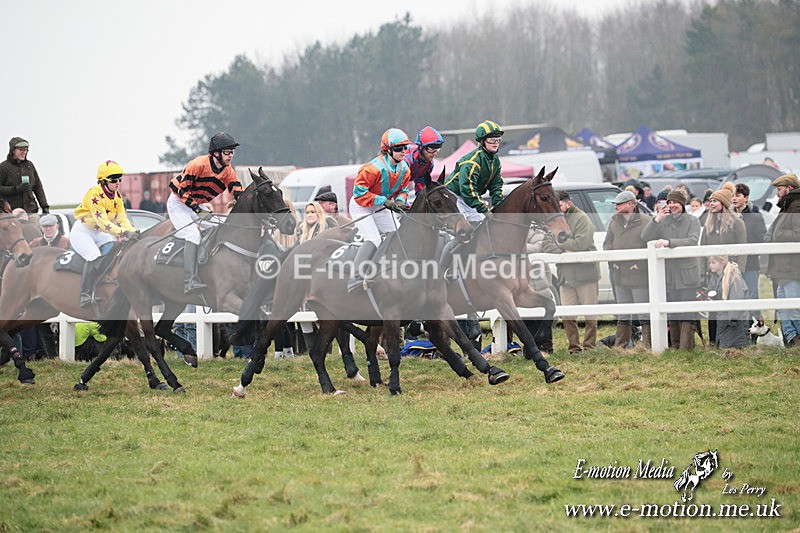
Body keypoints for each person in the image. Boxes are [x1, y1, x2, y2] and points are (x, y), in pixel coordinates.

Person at [168, 132, 243, 294]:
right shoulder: (197, 164)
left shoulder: (228, 171)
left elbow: (237, 189)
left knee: (223, 226)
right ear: (216, 153)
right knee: (193, 235)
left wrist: (244, 200)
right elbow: (182, 192)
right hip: (178, 203)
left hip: (197, 205)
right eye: (227, 152)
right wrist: (197, 210)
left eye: (232, 152)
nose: (230, 156)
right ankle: (189, 281)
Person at [347, 128, 412, 292]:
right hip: (360, 205)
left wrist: (399, 201)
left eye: (405, 148)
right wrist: (385, 201)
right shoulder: (372, 169)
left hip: (381, 205)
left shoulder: (405, 169)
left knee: (397, 234)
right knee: (374, 239)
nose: (403, 151)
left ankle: (387, 270)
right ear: (387, 150)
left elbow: (404, 190)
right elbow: (359, 193)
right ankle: (355, 278)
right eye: (398, 148)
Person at [641, 189, 702, 350]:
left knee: (687, 312)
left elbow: (692, 241)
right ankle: (675, 346)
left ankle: (686, 347)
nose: (672, 205)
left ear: (682, 204)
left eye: (675, 202)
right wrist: (657, 219)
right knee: (672, 312)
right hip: (669, 275)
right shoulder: (663, 221)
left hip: (687, 274)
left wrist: (669, 242)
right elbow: (645, 237)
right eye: (669, 202)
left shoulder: (692, 221)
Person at [541, 191, 601, 354]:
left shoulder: (581, 218)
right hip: (566, 276)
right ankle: (574, 347)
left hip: (585, 275)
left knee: (590, 315)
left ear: (568, 203)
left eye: (559, 205)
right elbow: (546, 244)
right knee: (567, 315)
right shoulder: (555, 220)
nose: (557, 208)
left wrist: (560, 245)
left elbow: (581, 243)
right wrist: (564, 249)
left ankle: (589, 346)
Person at [72, 160, 137, 307]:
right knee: (93, 255)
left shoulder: (117, 197)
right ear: (104, 181)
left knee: (114, 250)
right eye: (114, 180)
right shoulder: (94, 194)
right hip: (83, 231)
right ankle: (85, 294)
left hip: (99, 233)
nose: (118, 183)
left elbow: (122, 220)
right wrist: (123, 232)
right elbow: (103, 222)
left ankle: (103, 284)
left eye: (120, 179)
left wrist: (134, 231)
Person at [603, 190, 652, 349]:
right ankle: (621, 345)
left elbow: (650, 245)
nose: (616, 207)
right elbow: (607, 243)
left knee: (644, 312)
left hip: (639, 275)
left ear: (631, 204)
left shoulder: (646, 221)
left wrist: (640, 264)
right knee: (623, 312)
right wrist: (613, 261)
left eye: (620, 203)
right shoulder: (614, 222)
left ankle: (648, 345)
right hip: (619, 274)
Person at [444, 120, 504, 223]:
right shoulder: (472, 162)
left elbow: (496, 184)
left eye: (498, 139)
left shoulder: (495, 161)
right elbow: (467, 187)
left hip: (468, 198)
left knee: (483, 226)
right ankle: (453, 239)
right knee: (467, 228)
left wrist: (498, 203)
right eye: (492, 139)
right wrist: (483, 209)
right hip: (452, 196)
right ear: (482, 141)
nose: (496, 143)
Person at [765, 173, 800, 346]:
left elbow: (798, 233)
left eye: (779, 189)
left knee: (793, 307)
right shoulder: (787, 206)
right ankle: (793, 339)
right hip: (783, 267)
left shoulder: (796, 206)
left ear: (789, 188)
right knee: (783, 307)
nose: (777, 193)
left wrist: (778, 235)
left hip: (791, 267)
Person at [731, 183, 767, 305]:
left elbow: (761, 239)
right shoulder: (728, 218)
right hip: (731, 264)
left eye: (737, 195)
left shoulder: (755, 218)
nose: (734, 199)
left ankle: (754, 322)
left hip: (750, 264)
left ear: (746, 198)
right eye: (732, 196)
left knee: (752, 297)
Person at [0, 137, 50, 224]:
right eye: (21, 150)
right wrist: (16, 189)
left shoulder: (29, 166)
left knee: (34, 231)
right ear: (13, 150)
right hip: (11, 213)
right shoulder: (3, 167)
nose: (24, 152)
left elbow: (38, 187)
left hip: (30, 211)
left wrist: (44, 206)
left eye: (26, 150)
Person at [705, 256, 750, 349]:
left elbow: (736, 299)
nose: (710, 265)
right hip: (722, 318)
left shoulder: (733, 277)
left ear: (722, 262)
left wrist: (733, 319)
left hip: (733, 322)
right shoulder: (714, 277)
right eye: (710, 263)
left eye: (713, 263)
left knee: (733, 348)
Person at [405, 126, 444, 194]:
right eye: (431, 149)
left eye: (437, 149)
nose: (435, 153)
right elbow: (398, 187)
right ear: (420, 147)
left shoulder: (429, 165)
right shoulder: (406, 160)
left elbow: (421, 189)